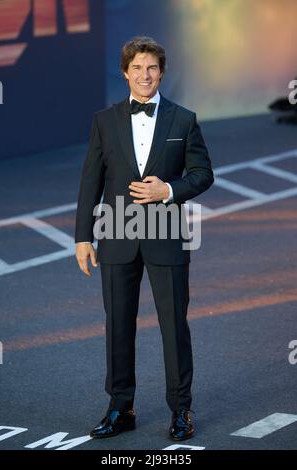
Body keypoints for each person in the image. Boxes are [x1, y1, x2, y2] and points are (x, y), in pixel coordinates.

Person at [75, 36, 214, 441]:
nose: (144, 75)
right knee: (117, 324)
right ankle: (121, 407)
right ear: (125, 72)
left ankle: (181, 409)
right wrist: (83, 237)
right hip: (116, 234)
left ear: (162, 72)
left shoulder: (184, 119)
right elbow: (91, 182)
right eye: (136, 68)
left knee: (174, 326)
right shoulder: (104, 120)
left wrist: (167, 190)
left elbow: (202, 174)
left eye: (151, 67)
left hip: (166, 235)